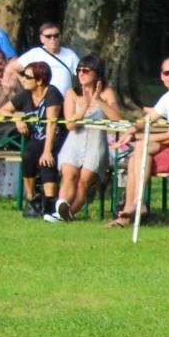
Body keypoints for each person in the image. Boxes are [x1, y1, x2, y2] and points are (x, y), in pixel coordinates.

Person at [109, 57, 169, 227]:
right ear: (161, 76)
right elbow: (149, 119)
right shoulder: (168, 97)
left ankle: (136, 206)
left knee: (140, 153)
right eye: (167, 73)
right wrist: (131, 130)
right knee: (138, 152)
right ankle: (129, 211)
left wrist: (139, 137)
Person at [52, 55, 121, 221]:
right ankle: (61, 206)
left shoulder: (106, 92)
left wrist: (98, 101)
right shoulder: (72, 93)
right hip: (74, 142)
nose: (81, 74)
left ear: (96, 73)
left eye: (85, 70)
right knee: (69, 176)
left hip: (96, 144)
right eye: (79, 70)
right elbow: (70, 125)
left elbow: (117, 120)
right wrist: (83, 108)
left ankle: (65, 215)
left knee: (83, 182)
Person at [0, 60, 64, 218]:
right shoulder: (26, 94)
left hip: (56, 140)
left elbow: (51, 124)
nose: (23, 79)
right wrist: (17, 119)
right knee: (28, 153)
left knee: (46, 161)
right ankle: (32, 199)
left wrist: (47, 151)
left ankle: (50, 204)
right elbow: (4, 110)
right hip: (36, 139)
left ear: (40, 80)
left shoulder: (52, 94)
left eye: (27, 77)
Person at [10, 22, 81, 96]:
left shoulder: (70, 54)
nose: (53, 39)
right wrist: (25, 83)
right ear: (42, 38)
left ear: (60, 36)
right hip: (41, 101)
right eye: (48, 36)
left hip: (65, 101)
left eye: (56, 35)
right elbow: (13, 68)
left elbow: (82, 73)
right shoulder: (35, 53)